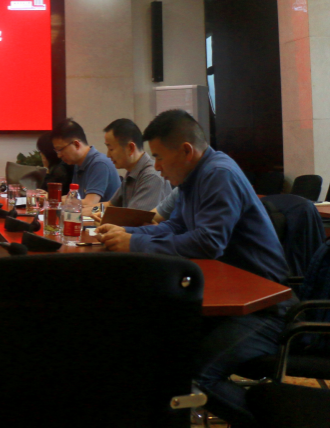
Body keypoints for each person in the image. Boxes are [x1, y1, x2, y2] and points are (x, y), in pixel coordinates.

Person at [97, 109, 288, 427]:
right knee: (155, 347)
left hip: (263, 308)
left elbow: (208, 244)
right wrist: (126, 234)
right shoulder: (193, 176)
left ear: (186, 151)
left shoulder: (219, 174)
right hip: (227, 298)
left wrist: (135, 243)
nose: (156, 166)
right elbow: (174, 228)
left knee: (195, 377)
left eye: (159, 157)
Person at [51, 118, 120, 210]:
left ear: (76, 144)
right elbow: (73, 199)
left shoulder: (99, 164)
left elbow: (89, 203)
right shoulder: (78, 164)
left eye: (60, 149)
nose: (59, 155)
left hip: (104, 218)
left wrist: (53, 198)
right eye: (56, 151)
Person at [102, 118, 170, 211]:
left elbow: (133, 217)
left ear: (130, 148)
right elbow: (109, 205)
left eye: (111, 149)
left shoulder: (151, 176)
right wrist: (83, 211)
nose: (108, 155)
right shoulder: (132, 172)